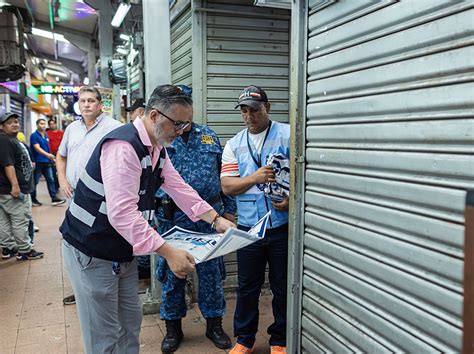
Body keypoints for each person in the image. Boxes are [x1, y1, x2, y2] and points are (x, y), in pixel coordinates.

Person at [59, 84, 236, 354]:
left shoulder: (155, 148)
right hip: (92, 249)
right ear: (154, 116)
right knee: (103, 335)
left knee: (130, 324)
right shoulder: (123, 147)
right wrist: (167, 252)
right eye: (177, 124)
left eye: (185, 124)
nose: (180, 131)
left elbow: (179, 188)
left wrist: (215, 219)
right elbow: (122, 213)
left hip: (121, 249)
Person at [155, 85, 236, 352]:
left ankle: (214, 325)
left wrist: (228, 211)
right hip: (172, 219)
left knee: (212, 275)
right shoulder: (162, 137)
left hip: (209, 218)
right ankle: (172, 328)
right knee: (173, 275)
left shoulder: (209, 137)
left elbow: (223, 176)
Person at [221, 86, 290, 354]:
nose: (249, 116)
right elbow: (227, 186)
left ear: (268, 108)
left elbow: (302, 173)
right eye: (244, 111)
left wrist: (291, 201)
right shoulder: (234, 144)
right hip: (250, 228)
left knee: (281, 286)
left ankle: (279, 340)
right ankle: (244, 339)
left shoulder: (287, 134)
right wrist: (254, 178)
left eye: (254, 110)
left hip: (281, 225)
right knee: (247, 286)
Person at [56, 86, 122, 305]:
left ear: (100, 104)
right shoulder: (72, 129)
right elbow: (61, 156)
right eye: (82, 100)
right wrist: (62, 180)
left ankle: (99, 286)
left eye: (91, 100)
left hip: (98, 198)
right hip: (74, 195)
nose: (86, 104)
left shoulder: (114, 128)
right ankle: (81, 287)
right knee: (75, 241)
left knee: (96, 241)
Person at [0, 112, 44, 260]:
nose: (15, 124)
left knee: (4, 220)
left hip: (5, 190)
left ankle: (9, 247)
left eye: (16, 122)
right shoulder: (5, 141)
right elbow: (8, 165)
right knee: (20, 220)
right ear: (1, 127)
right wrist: (15, 186)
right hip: (12, 190)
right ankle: (25, 250)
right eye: (9, 123)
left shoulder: (11, 140)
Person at [29, 118, 64, 206]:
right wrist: (48, 155)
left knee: (51, 179)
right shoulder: (34, 135)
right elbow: (37, 148)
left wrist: (51, 157)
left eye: (44, 124)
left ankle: (54, 198)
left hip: (46, 161)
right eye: (41, 124)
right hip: (38, 161)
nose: (43, 125)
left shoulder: (45, 135)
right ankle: (32, 199)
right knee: (35, 181)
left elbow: (47, 147)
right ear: (37, 125)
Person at [47, 118, 64, 190]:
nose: (52, 125)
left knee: (60, 170)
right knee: (54, 171)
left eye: (53, 124)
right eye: (50, 124)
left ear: (56, 124)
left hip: (60, 154)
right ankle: (56, 186)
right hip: (51, 155)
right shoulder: (47, 133)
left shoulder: (61, 133)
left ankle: (59, 184)